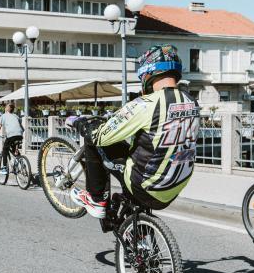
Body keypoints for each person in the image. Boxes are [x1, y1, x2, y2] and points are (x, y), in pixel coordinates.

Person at [69, 45, 200, 222]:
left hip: (145, 185)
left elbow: (101, 136)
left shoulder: (145, 104)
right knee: (144, 151)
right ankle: (137, 232)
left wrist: (79, 123)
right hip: (174, 186)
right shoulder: (192, 102)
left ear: (148, 74)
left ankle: (96, 199)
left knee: (93, 139)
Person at [0, 103, 24, 176]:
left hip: (11, 135)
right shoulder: (16, 116)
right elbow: (22, 129)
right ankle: (21, 163)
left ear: (6, 109)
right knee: (15, 149)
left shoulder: (3, 116)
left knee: (5, 150)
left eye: (5, 107)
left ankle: (4, 168)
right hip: (20, 135)